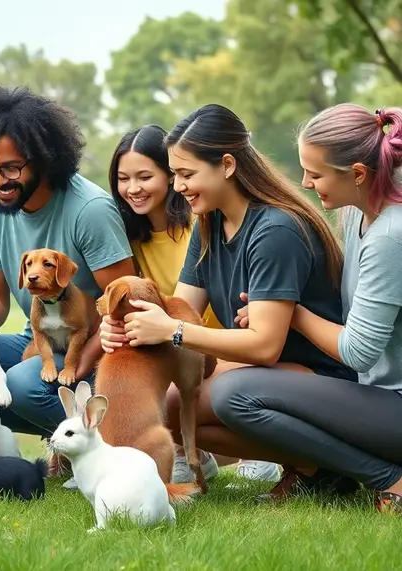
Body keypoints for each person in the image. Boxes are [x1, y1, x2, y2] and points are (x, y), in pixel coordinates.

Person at [100, 103, 357, 491]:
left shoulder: (275, 230)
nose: (179, 186)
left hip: (320, 378)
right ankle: (310, 466)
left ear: (227, 165)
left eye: (187, 174)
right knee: (167, 404)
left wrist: (171, 330)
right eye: (175, 175)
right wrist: (119, 324)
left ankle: (326, 463)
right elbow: (179, 308)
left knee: (216, 395)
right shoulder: (209, 224)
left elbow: (265, 346)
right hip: (269, 373)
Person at [210, 104, 402, 511]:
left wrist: (289, 312)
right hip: (375, 395)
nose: (305, 182)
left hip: (393, 402)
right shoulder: (357, 212)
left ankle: (390, 479)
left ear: (357, 174)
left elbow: (358, 351)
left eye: (315, 173)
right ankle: (339, 472)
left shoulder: (391, 235)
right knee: (223, 390)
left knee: (234, 394)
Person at [0, 85, 135, 450]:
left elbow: (124, 308)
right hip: (43, 337)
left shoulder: (90, 210)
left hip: (101, 347)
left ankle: (116, 444)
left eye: (11, 168)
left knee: (19, 385)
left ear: (44, 159)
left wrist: (80, 364)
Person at [108, 124, 280, 485]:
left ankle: (255, 451)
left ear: (169, 177)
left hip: (217, 340)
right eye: (123, 178)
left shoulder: (199, 224)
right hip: (173, 340)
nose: (133, 188)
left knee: (181, 394)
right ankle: (187, 455)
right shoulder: (130, 238)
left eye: (145, 176)